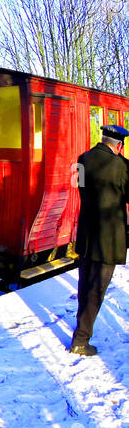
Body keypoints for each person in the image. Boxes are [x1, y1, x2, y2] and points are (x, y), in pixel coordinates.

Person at [71, 124, 129, 356]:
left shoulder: (82, 159)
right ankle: (81, 340)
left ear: (102, 139)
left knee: (85, 284)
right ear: (119, 146)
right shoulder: (122, 166)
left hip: (87, 235)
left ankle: (80, 330)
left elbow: (79, 186)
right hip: (109, 237)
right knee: (97, 289)